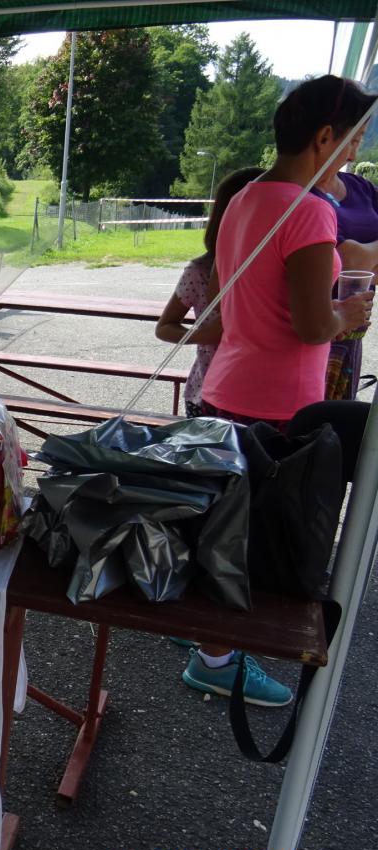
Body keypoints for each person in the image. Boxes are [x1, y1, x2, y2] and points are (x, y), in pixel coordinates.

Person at [186, 75, 376, 708]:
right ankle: (219, 658)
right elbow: (313, 324)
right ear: (324, 137)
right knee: (260, 543)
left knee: (221, 528)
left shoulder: (245, 197)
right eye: (353, 140)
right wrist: (349, 313)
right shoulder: (310, 210)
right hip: (279, 405)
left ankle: (211, 645)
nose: (354, 154)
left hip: (225, 386)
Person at [154, 168, 263, 416]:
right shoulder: (201, 271)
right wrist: (205, 335)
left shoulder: (280, 271)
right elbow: (164, 327)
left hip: (261, 397)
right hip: (206, 395)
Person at [317, 148, 378, 400]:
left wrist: (361, 255)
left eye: (359, 139)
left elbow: (353, 263)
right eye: (350, 140)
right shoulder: (306, 195)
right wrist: (356, 260)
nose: (353, 154)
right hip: (319, 329)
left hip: (353, 331)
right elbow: (347, 262)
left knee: (339, 411)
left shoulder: (361, 187)